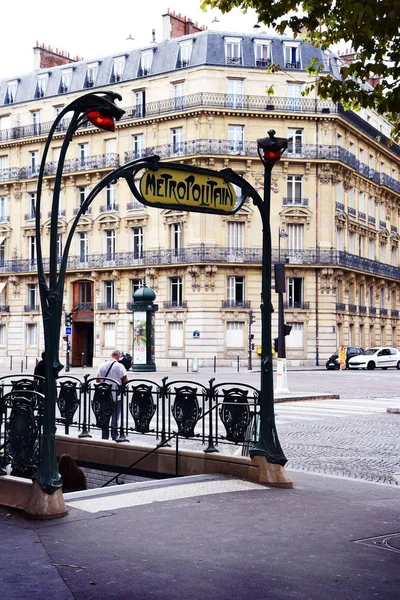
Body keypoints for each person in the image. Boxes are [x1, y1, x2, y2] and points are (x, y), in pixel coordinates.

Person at [96, 350, 128, 440]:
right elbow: (126, 380)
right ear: (118, 356)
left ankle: (104, 436)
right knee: (115, 417)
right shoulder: (120, 366)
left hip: (104, 396)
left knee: (105, 416)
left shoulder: (102, 365)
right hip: (116, 395)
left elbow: (97, 380)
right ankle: (114, 435)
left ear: (111, 355)